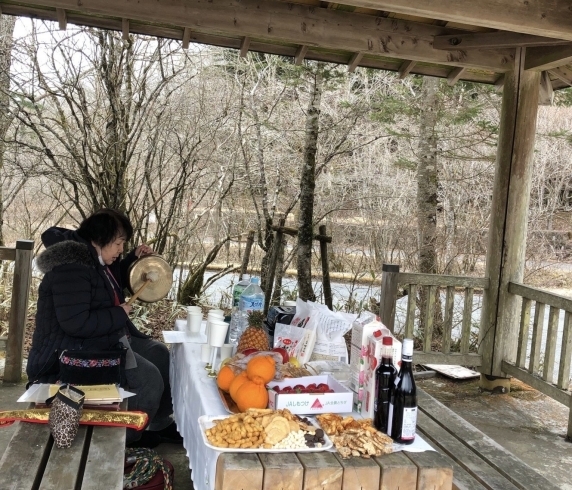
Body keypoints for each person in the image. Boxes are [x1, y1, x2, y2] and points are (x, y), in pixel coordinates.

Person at [27, 208, 182, 448]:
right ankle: (127, 439)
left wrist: (133, 260)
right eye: (119, 243)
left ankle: (159, 422)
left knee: (160, 355)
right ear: (100, 239)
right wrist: (118, 313)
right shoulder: (72, 269)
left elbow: (106, 283)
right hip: (71, 351)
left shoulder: (92, 257)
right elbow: (76, 323)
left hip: (103, 335)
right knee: (148, 378)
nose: (120, 249)